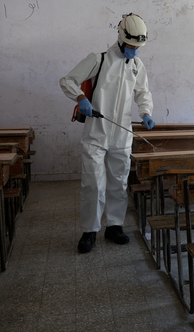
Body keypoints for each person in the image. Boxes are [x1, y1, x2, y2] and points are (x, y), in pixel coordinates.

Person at [59, 13, 155, 253]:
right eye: (131, 46)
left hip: (122, 136)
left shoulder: (136, 65)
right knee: (93, 184)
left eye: (138, 47)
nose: (134, 50)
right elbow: (67, 80)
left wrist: (145, 112)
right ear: (121, 38)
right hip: (96, 134)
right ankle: (89, 231)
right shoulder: (99, 59)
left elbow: (143, 92)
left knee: (119, 183)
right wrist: (80, 97)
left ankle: (114, 226)